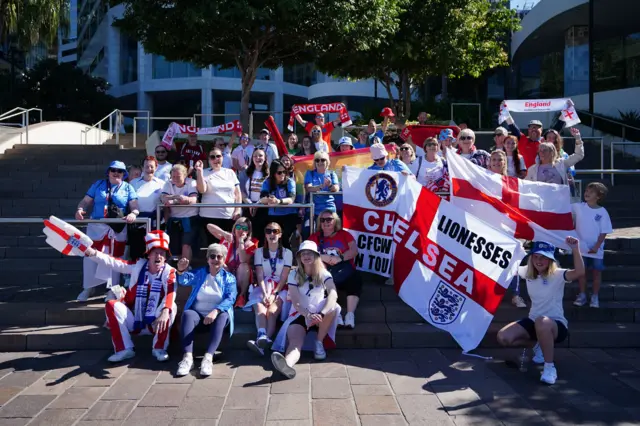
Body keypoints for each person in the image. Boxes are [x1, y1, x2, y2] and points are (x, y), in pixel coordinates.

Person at [497, 237, 584, 385]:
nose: (539, 261)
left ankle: (549, 368)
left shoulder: (558, 274)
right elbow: (505, 266)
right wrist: (515, 248)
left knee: (542, 322)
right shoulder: (527, 272)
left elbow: (579, 272)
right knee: (503, 336)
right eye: (536, 256)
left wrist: (575, 249)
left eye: (543, 257)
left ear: (551, 260)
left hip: (556, 325)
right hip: (534, 321)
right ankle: (538, 345)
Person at [85, 230, 176, 363]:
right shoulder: (138, 267)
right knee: (111, 304)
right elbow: (115, 263)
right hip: (136, 320)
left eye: (162, 253)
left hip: (156, 322)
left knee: (170, 306)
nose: (159, 256)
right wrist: (94, 253)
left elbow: (171, 292)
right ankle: (124, 349)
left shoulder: (169, 271)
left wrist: (165, 311)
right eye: (155, 252)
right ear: (148, 255)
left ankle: (159, 348)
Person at [270, 241, 340, 379]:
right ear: (299, 257)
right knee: (295, 343)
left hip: (321, 314)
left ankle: (319, 342)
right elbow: (296, 301)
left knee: (334, 306)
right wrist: (307, 315)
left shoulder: (323, 273)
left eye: (309, 253)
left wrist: (321, 313)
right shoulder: (293, 274)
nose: (306, 256)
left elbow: (333, 293)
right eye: (303, 254)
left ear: (316, 256)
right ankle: (287, 365)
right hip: (300, 313)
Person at [75, 160, 140, 301]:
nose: (116, 173)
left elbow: (135, 206)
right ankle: (88, 287)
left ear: (124, 174)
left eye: (119, 171)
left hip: (117, 228)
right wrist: (80, 210)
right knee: (90, 257)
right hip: (96, 227)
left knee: (115, 258)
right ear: (108, 172)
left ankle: (113, 289)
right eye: (113, 170)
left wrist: (133, 214)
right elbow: (85, 201)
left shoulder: (128, 187)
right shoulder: (98, 184)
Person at [175, 243, 238, 377]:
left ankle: (208, 358)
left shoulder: (229, 278)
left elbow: (230, 298)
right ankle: (187, 358)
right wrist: (180, 270)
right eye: (212, 256)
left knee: (223, 316)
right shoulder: (199, 273)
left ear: (224, 259)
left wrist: (216, 311)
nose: (215, 259)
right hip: (199, 314)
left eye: (219, 257)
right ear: (207, 258)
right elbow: (184, 281)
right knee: (187, 314)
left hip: (217, 316)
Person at [246, 222, 293, 355]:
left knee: (271, 312)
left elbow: (284, 276)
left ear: (280, 234)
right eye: (269, 231)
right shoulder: (259, 252)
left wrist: (274, 293)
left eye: (275, 231)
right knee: (260, 309)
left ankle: (262, 343)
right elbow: (260, 275)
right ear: (265, 234)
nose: (272, 234)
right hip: (264, 285)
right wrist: (266, 292)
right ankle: (261, 336)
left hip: (281, 286)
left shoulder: (287, 253)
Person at [309, 210, 360, 328]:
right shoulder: (314, 237)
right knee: (321, 283)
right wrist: (323, 257)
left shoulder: (344, 234)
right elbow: (307, 253)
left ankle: (350, 315)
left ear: (335, 221)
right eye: (322, 220)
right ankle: (336, 314)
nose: (326, 222)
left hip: (344, 271)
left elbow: (354, 251)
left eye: (329, 219)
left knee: (355, 279)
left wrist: (340, 258)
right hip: (324, 273)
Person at [572, 182, 613, 309]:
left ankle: (595, 296)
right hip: (581, 248)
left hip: (596, 250)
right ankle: (582, 294)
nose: (587, 193)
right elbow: (563, 206)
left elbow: (604, 231)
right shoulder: (579, 207)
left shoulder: (602, 212)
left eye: (591, 192)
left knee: (596, 273)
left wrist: (596, 246)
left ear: (599, 196)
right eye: (586, 191)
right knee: (581, 273)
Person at [206, 217, 258, 308]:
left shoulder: (252, 243)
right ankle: (226, 295)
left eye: (245, 228)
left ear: (248, 231)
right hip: (227, 274)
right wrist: (224, 233)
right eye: (238, 227)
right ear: (234, 227)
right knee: (221, 265)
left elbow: (243, 259)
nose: (241, 230)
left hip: (241, 276)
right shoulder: (227, 237)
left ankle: (241, 296)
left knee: (244, 266)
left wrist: (241, 241)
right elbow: (209, 226)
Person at [196, 148, 242, 244]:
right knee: (212, 249)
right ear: (209, 160)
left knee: (228, 247)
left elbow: (237, 193)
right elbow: (202, 190)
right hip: (208, 217)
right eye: (212, 157)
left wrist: (237, 209)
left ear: (222, 158)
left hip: (229, 217)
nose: (216, 159)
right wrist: (199, 172)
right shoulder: (204, 172)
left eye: (218, 156)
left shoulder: (230, 172)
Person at [129, 156, 165, 260]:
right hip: (137, 223)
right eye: (146, 166)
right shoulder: (133, 183)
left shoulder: (162, 184)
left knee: (153, 253)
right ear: (142, 167)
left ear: (156, 167)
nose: (149, 169)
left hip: (156, 223)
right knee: (137, 252)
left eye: (151, 166)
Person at [161, 164, 199, 262]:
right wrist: (180, 198)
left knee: (186, 245)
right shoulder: (168, 183)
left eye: (178, 176)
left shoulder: (192, 182)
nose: (175, 179)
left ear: (185, 175)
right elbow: (164, 198)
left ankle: (186, 269)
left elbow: (193, 200)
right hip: (174, 218)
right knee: (174, 245)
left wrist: (173, 200)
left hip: (190, 218)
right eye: (173, 176)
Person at [260, 160, 298, 249]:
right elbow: (262, 198)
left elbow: (291, 199)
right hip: (273, 215)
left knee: (285, 238)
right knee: (273, 239)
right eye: (279, 172)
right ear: (273, 173)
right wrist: (269, 199)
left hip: (289, 215)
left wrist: (278, 201)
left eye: (284, 172)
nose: (282, 175)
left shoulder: (290, 182)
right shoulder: (267, 182)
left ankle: (289, 259)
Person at [239, 149, 269, 242]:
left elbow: (270, 191)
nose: (258, 158)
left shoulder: (269, 174)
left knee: (260, 234)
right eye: (255, 156)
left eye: (260, 156)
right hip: (248, 206)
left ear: (265, 158)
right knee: (247, 234)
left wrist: (259, 203)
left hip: (264, 208)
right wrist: (249, 203)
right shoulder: (245, 173)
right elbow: (241, 190)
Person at [304, 151, 339, 228]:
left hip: (329, 209)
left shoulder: (332, 173)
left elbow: (336, 188)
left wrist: (330, 185)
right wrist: (321, 186)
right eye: (317, 160)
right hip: (313, 210)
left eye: (322, 160)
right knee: (306, 230)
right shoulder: (310, 173)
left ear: (327, 162)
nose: (320, 162)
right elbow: (308, 188)